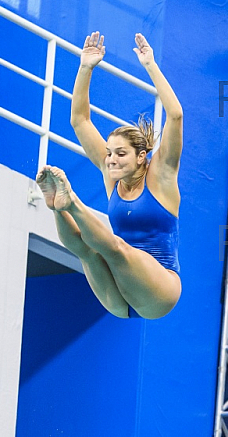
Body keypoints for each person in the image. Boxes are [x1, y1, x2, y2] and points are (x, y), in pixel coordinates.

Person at [36, 31, 183, 318]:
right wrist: (85, 68)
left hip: (160, 291)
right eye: (110, 153)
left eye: (121, 154)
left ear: (142, 157)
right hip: (119, 300)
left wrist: (150, 64)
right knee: (84, 247)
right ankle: (58, 206)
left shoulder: (162, 174)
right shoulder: (111, 172)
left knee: (116, 247)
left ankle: (72, 203)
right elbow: (79, 120)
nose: (111, 160)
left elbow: (175, 115)